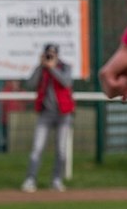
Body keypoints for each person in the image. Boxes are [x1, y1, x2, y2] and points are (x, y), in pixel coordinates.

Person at [20, 44, 73, 193]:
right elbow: (30, 84)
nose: (50, 56)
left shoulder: (65, 67)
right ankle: (30, 180)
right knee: (37, 148)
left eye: (52, 54)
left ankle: (56, 180)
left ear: (57, 55)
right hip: (45, 114)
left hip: (63, 114)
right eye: (48, 53)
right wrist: (40, 66)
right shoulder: (41, 69)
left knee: (61, 150)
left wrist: (52, 68)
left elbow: (66, 82)